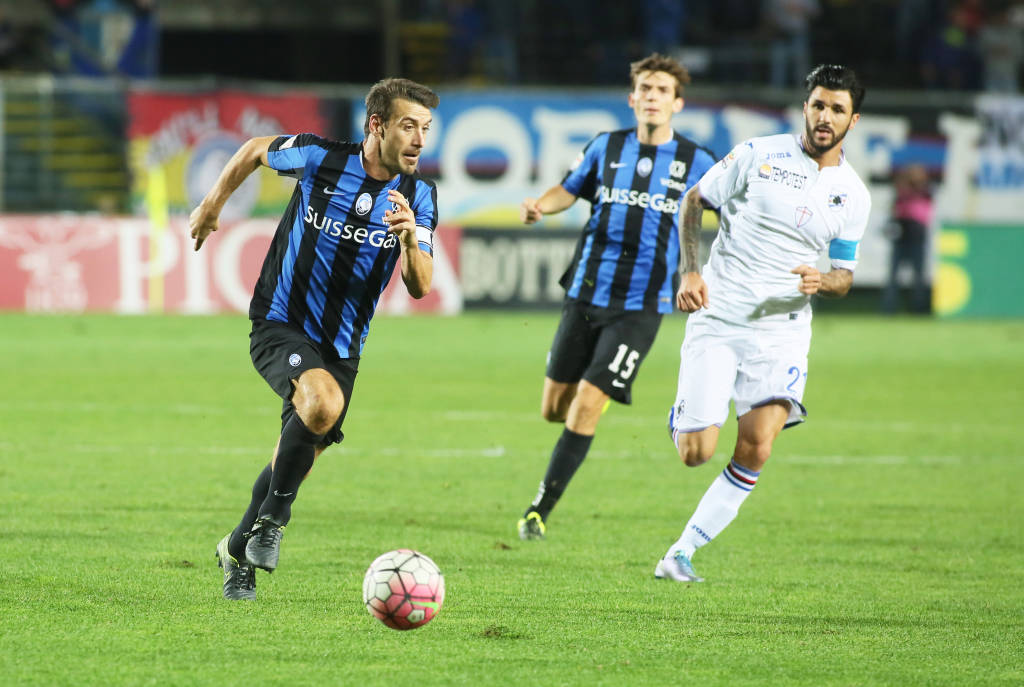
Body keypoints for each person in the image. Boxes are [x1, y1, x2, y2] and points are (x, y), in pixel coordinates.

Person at [189, 78, 440, 600]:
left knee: (292, 456)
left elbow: (420, 286)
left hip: (343, 347)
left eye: (426, 129)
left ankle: (238, 550)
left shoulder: (420, 196)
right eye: (408, 126)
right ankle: (274, 523)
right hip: (280, 323)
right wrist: (213, 205)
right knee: (321, 405)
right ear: (377, 125)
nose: (419, 139)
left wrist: (411, 237)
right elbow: (256, 150)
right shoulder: (320, 158)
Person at [657, 64, 869, 582]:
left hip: (783, 330)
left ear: (853, 120)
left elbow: (844, 274)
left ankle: (680, 553)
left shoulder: (853, 195)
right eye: (818, 105)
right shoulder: (759, 154)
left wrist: (823, 280)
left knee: (757, 445)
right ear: (805, 106)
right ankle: (688, 413)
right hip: (721, 316)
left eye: (837, 109)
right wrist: (690, 271)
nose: (825, 116)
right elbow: (694, 200)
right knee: (696, 453)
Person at [515, 53, 717, 541]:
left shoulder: (699, 163)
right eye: (645, 88)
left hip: (642, 307)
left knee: (586, 400)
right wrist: (541, 204)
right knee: (553, 408)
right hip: (586, 291)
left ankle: (539, 510)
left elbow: (732, 214)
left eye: (661, 90)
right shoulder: (605, 148)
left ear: (677, 103)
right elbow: (569, 189)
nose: (652, 96)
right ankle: (596, 391)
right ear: (632, 99)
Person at [882, 164, 933, 314]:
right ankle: (889, 309)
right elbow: (896, 210)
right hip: (902, 239)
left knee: (918, 278)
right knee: (893, 278)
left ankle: (918, 308)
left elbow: (920, 213)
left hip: (917, 239)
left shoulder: (925, 193)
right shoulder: (902, 193)